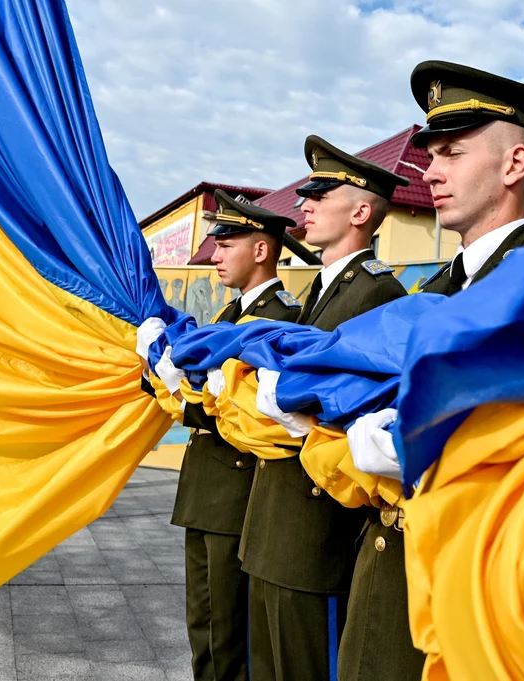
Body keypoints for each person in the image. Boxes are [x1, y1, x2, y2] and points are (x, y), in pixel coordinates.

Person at [341, 60, 524, 681]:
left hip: (479, 595)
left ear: (513, 165)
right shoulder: (429, 290)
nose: (430, 171)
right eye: (430, 156)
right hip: (389, 571)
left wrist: (445, 442)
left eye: (451, 153)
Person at [241, 135, 410, 681]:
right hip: (275, 525)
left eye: (320, 193)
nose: (303, 205)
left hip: (316, 536)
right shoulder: (319, 290)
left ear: (361, 211)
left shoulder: (377, 296)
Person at [171, 190, 302, 681]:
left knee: (231, 637)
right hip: (206, 494)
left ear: (262, 249)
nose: (216, 254)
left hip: (237, 495)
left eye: (227, 243)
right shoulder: (229, 317)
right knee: (203, 631)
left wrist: (185, 398)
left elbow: (248, 410)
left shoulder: (281, 319)